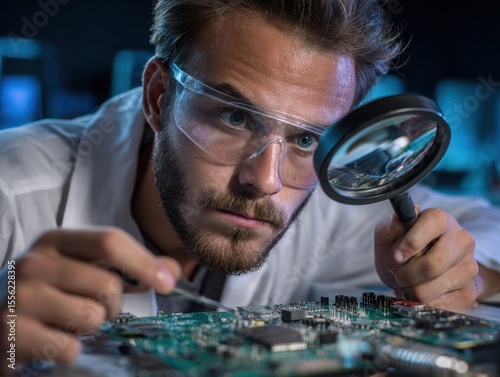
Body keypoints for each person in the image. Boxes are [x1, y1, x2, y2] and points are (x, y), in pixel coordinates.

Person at [1, 0, 500, 373]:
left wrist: (466, 275)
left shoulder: (324, 194)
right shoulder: (12, 189)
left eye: (306, 137)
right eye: (235, 117)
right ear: (158, 97)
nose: (264, 181)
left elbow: (485, 227)